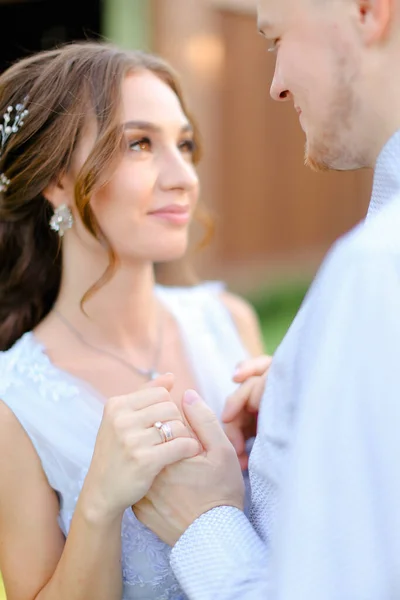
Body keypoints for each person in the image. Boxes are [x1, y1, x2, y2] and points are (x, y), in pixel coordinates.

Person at [134, 0, 400, 598]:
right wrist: (317, 395)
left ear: (366, 11)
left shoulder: (378, 266)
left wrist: (203, 524)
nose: (275, 84)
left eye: (275, 38)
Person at [0, 40, 268, 600]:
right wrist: (100, 500)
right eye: (140, 144)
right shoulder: (12, 407)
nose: (184, 178)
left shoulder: (229, 322)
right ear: (54, 182)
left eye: (185, 144)